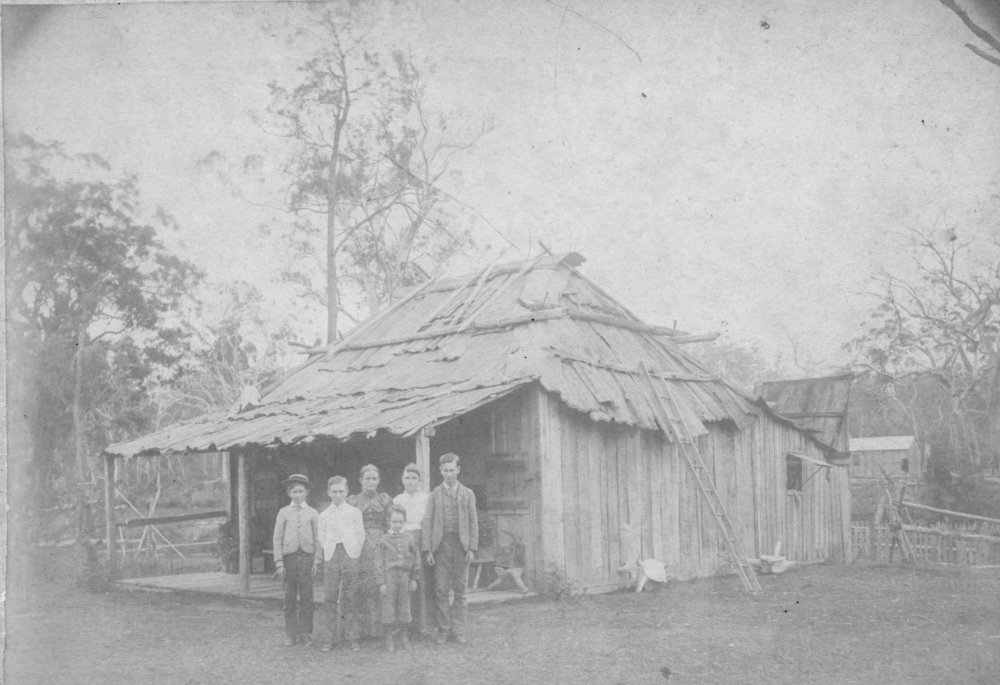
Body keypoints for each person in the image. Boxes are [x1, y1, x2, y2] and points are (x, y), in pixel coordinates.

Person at [422, 452, 478, 644]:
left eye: (452, 470)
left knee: (461, 590)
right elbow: (428, 522)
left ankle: (459, 630)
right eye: (445, 471)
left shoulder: (468, 494)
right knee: (441, 589)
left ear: (458, 470)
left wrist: (472, 548)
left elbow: (473, 522)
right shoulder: (434, 495)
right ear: (440, 471)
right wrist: (428, 549)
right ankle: (444, 629)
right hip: (441, 547)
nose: (448, 474)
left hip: (461, 546)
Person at [315, 475, 365, 653]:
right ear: (329, 493)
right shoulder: (324, 515)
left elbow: (360, 535)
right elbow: (321, 537)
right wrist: (330, 549)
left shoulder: (354, 512)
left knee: (350, 596)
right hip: (331, 556)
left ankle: (352, 637)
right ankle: (329, 638)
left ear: (347, 492)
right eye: (334, 491)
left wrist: (354, 554)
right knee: (330, 597)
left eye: (341, 491)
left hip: (349, 554)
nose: (337, 495)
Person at [271, 474, 319, 647]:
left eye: (301, 491)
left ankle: (305, 632)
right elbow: (277, 539)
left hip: (307, 559)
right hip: (289, 560)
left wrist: (316, 561)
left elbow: (317, 538)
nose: (298, 494)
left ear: (306, 492)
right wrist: (279, 563)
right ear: (289, 493)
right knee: (289, 598)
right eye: (294, 491)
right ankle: (291, 633)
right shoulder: (283, 513)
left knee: (307, 598)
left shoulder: (313, 513)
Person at [347, 464, 393, 639]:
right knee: (361, 588)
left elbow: (390, 524)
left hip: (380, 546)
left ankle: (381, 631)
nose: (371, 482)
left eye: (374, 478)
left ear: (379, 480)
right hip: (359, 547)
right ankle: (360, 631)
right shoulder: (352, 501)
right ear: (360, 480)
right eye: (367, 478)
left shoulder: (385, 500)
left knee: (379, 587)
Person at [392, 463, 432, 637]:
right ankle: (403, 627)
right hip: (402, 541)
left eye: (414, 478)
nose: (410, 481)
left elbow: (428, 523)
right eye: (407, 478)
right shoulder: (397, 500)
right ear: (402, 479)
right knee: (403, 582)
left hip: (420, 540)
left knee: (420, 582)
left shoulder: (426, 498)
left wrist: (427, 547)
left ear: (419, 480)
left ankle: (422, 626)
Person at [375, 505, 421, 652]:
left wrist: (414, 578)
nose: (397, 525)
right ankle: (389, 637)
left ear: (404, 522)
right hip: (389, 577)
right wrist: (381, 582)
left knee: (405, 605)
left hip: (405, 577)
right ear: (389, 521)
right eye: (394, 522)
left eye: (400, 522)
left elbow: (416, 559)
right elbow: (378, 562)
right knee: (388, 605)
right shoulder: (383, 539)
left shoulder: (409, 538)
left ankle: (404, 636)